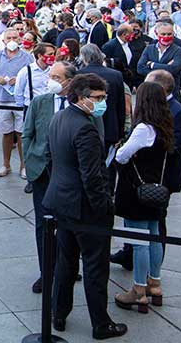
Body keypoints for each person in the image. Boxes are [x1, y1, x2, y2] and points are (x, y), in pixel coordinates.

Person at [43, 73, 128, 340]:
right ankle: (101, 324)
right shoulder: (85, 127)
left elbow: (50, 156)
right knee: (94, 267)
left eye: (103, 98)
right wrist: (103, 206)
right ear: (81, 98)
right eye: (98, 98)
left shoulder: (60, 118)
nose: (102, 103)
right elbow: (92, 175)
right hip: (84, 208)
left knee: (66, 262)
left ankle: (59, 313)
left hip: (61, 201)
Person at [112, 82, 175, 313]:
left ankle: (138, 290)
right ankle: (154, 284)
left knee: (139, 241)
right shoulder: (166, 125)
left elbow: (122, 155)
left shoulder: (143, 129)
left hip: (137, 192)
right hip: (157, 190)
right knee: (155, 235)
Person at [22, 61, 76, 293]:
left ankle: (67, 269)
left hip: (68, 174)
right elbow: (27, 134)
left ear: (70, 81)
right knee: (43, 224)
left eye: (57, 77)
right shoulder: (40, 102)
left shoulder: (78, 104)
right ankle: (47, 272)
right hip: (42, 171)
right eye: (50, 76)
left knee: (68, 224)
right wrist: (30, 164)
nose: (51, 80)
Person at [0, 28, 33, 178]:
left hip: (20, 101)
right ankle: (6, 164)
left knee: (21, 134)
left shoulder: (27, 57)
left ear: (19, 39)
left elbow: (33, 76)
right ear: (3, 40)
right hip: (2, 99)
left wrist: (19, 80)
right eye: (9, 38)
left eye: (15, 37)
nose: (12, 40)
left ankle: (24, 165)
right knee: (6, 133)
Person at [78, 44, 126, 156]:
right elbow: (121, 106)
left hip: (86, 126)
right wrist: (120, 132)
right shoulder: (116, 75)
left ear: (84, 57)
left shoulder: (80, 74)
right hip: (111, 126)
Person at [137, 22, 181, 99]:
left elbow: (174, 69)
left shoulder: (179, 51)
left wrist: (152, 65)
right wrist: (166, 67)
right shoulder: (149, 48)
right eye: (163, 34)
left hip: (171, 94)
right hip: (151, 93)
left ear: (173, 34)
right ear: (157, 34)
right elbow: (140, 68)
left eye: (169, 34)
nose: (166, 36)